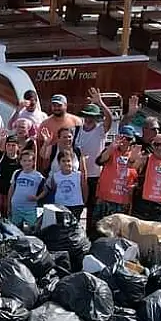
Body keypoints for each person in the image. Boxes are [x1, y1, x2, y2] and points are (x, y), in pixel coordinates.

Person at [73, 91, 117, 232]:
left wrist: (100, 103)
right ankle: (75, 232)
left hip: (95, 176)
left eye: (92, 117)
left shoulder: (100, 130)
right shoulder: (76, 130)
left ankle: (90, 235)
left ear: (96, 118)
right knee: (77, 206)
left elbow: (109, 119)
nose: (89, 119)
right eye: (87, 116)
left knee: (92, 209)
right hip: (79, 175)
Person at [94, 126, 140, 224]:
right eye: (122, 137)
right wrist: (111, 147)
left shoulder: (135, 154)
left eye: (128, 139)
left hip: (122, 201)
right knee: (99, 229)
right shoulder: (111, 150)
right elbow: (99, 161)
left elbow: (137, 176)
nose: (124, 141)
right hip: (105, 198)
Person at [43, 148, 88, 219]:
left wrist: (82, 159)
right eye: (63, 161)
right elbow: (54, 189)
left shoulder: (78, 175)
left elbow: (84, 184)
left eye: (68, 161)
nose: (66, 163)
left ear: (72, 162)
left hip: (75, 205)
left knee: (74, 225)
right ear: (59, 162)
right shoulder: (55, 176)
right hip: (60, 205)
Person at [8, 148, 45, 227]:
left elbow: (46, 190)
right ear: (20, 162)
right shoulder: (17, 173)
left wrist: (37, 198)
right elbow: (11, 190)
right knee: (15, 230)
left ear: (33, 162)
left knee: (33, 229)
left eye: (29, 161)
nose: (27, 163)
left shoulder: (38, 176)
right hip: (16, 207)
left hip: (30, 208)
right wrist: (9, 206)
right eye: (24, 161)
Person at [0, 135, 22, 219]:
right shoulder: (1, 155)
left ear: (18, 147)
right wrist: (0, 140)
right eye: (8, 145)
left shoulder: (21, 160)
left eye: (13, 145)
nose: (10, 147)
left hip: (12, 191)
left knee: (6, 214)